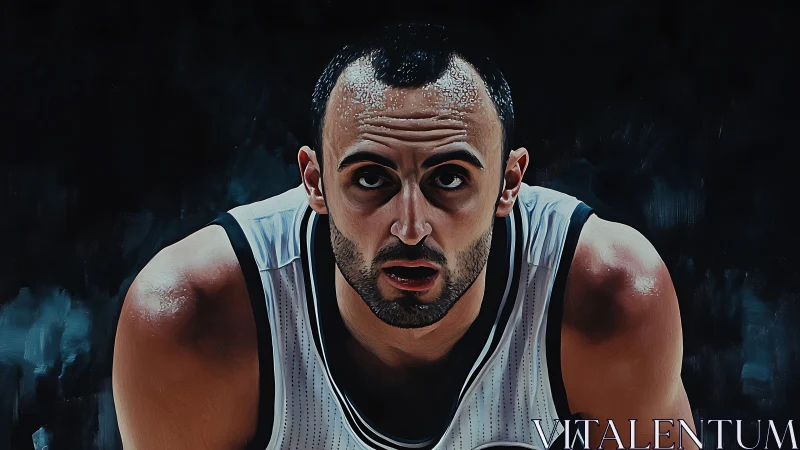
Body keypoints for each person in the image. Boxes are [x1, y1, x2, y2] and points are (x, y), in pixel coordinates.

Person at [112, 23, 696, 450]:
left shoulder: (609, 299)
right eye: (370, 178)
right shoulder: (194, 321)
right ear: (314, 181)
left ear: (509, 182)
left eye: (449, 179)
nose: (411, 227)